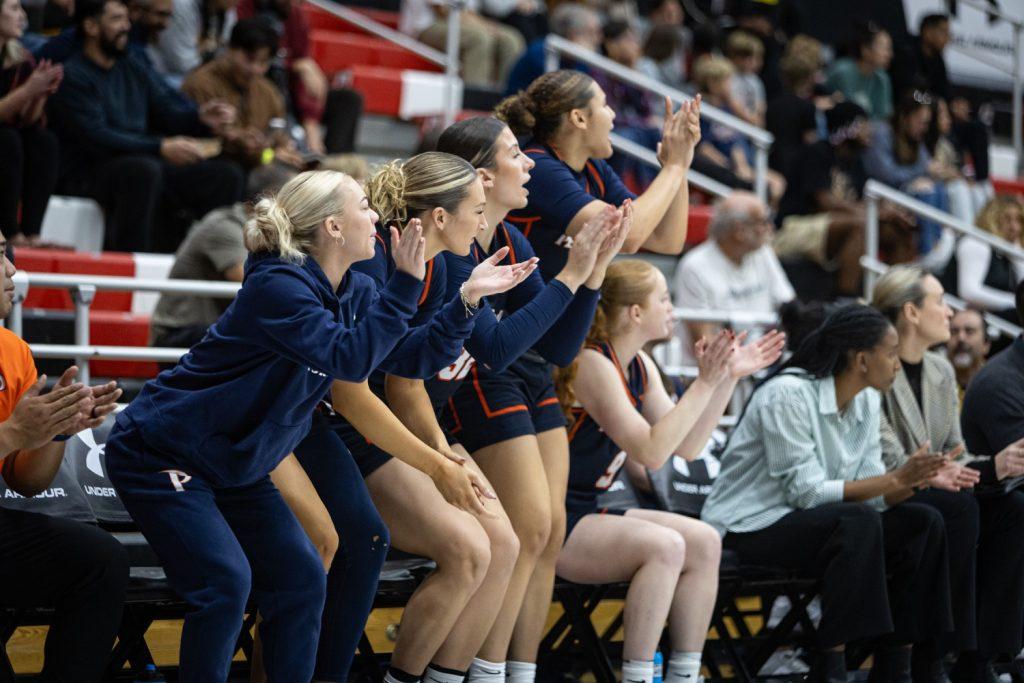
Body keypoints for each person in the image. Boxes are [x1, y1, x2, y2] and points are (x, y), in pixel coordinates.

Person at [104, 170, 489, 680]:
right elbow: (347, 359)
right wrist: (406, 284)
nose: (376, 216)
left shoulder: (354, 288)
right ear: (332, 226)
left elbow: (409, 358)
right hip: (163, 452)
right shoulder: (277, 286)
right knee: (225, 584)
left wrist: (466, 302)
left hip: (235, 462)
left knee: (302, 579)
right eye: (363, 208)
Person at [440, 70, 695, 682]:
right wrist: (677, 166)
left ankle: (518, 670)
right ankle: (485, 669)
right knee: (528, 529)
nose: (614, 116)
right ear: (577, 118)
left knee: (547, 534)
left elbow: (668, 235)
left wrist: (676, 171)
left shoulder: (593, 173)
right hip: (494, 355)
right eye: (605, 105)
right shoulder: (544, 166)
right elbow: (627, 231)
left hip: (541, 352)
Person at [287, 149, 549, 683]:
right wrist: (437, 461)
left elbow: (411, 361)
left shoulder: (427, 265)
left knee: (497, 543)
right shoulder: (373, 262)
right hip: (311, 421)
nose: (484, 223)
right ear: (438, 217)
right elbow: (358, 384)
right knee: (386, 544)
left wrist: (468, 301)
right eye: (477, 210)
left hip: (353, 417)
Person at [554, 259, 785, 683]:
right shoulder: (592, 364)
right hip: (555, 515)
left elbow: (687, 446)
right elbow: (651, 452)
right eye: (663, 298)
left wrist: (725, 379)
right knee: (665, 547)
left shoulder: (640, 364)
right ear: (635, 313)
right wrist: (703, 383)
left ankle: (684, 673)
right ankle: (638, 675)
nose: (673, 309)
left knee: (703, 541)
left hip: (589, 506)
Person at [701, 304, 954, 683]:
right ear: (862, 360)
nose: (898, 363)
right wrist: (897, 479)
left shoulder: (867, 399)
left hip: (816, 522)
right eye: (890, 352)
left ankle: (897, 663)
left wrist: (913, 481)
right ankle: (832, 664)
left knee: (925, 520)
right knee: (856, 523)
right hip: (749, 524)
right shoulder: (787, 394)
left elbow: (870, 488)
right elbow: (807, 494)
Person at [872, 265, 1024, 683]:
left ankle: (983, 655)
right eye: (940, 301)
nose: (950, 311)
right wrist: (937, 472)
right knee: (953, 510)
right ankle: (928, 656)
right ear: (912, 313)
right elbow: (885, 458)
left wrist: (995, 466)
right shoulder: (874, 368)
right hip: (885, 495)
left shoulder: (939, 371)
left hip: (940, 494)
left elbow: (955, 453)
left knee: (1012, 508)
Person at [0, 229, 128, 682]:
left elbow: (25, 482)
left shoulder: (13, 352)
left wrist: (55, 432)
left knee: (101, 560)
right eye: (0, 257)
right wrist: (14, 430)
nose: (14, 269)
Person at [48, 0, 245, 252]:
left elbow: (165, 112)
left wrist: (202, 120)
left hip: (147, 160)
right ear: (90, 26)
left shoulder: (132, 64)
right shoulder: (72, 75)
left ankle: (209, 260)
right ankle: (134, 262)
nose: (126, 27)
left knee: (225, 175)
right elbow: (97, 137)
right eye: (116, 20)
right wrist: (160, 146)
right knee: (142, 171)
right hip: (92, 171)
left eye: (126, 19)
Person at [150, 162, 296, 352]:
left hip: (212, 327)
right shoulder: (226, 226)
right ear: (272, 197)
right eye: (296, 198)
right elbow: (255, 282)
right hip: (179, 332)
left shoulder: (262, 231)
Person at [776, 102, 916, 296]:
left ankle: (896, 295)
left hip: (831, 227)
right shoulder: (817, 152)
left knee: (897, 230)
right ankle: (845, 302)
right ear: (847, 127)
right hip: (795, 225)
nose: (870, 131)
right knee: (862, 224)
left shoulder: (856, 161)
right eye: (863, 125)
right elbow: (824, 201)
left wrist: (889, 212)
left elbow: (864, 201)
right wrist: (877, 213)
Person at [674, 191, 794, 362]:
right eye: (763, 221)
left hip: (764, 361)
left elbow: (789, 304)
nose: (770, 228)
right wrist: (751, 358)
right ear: (740, 230)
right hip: (719, 372)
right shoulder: (694, 266)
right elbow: (704, 342)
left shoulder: (763, 253)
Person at [238, 0, 364, 156]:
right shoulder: (244, 8)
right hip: (263, 92)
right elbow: (253, 60)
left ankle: (336, 165)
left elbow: (305, 73)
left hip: (293, 96)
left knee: (348, 99)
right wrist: (295, 65)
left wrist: (311, 119)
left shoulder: (295, 15)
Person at [182, 18, 301, 169]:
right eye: (249, 59)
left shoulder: (268, 92)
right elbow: (202, 146)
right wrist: (242, 143)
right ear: (229, 49)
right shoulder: (200, 84)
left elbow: (279, 140)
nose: (255, 69)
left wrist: (280, 152)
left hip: (260, 167)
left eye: (263, 62)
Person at [0, 0, 61, 247]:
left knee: (43, 141)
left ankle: (32, 232)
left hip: (10, 136)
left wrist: (40, 94)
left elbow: (27, 121)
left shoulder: (20, 57)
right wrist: (28, 91)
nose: (22, 16)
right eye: (14, 8)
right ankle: (9, 232)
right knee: (6, 139)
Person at [693, 55, 784, 204]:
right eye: (727, 81)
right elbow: (704, 147)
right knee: (770, 186)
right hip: (725, 168)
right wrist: (729, 166)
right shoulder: (702, 111)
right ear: (713, 84)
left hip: (742, 166)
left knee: (778, 182)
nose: (731, 86)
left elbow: (747, 133)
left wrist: (734, 104)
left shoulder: (728, 109)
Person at [400, 0, 525, 89]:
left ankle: (504, 104)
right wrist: (485, 27)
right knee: (479, 38)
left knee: (511, 39)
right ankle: (473, 102)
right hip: (426, 27)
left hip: (463, 24)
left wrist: (486, 26)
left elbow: (469, 11)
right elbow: (443, 10)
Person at [951, 195, 1024, 322]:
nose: (1015, 228)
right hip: (966, 319)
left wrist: (1016, 253)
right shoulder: (976, 242)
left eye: (1019, 220)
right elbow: (969, 291)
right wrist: (1014, 302)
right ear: (992, 219)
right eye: (1007, 220)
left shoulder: (1008, 252)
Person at [504, 2, 600, 96]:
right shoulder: (541, 51)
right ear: (573, 34)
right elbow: (557, 96)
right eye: (592, 32)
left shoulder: (579, 61)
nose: (598, 38)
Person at [825, 23, 894, 121]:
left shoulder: (882, 79)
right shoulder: (841, 72)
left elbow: (882, 117)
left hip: (869, 130)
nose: (889, 54)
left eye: (889, 49)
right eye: (884, 48)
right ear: (865, 49)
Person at [946, 306, 990, 398]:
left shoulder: (998, 386)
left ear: (985, 345)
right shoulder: (932, 384)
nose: (961, 338)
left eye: (969, 331)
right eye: (954, 332)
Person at [725, 30, 765, 127]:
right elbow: (732, 102)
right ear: (733, 55)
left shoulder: (754, 80)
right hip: (731, 123)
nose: (748, 61)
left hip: (751, 125)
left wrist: (757, 120)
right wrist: (750, 120)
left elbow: (760, 107)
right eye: (743, 56)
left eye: (749, 56)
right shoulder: (727, 76)